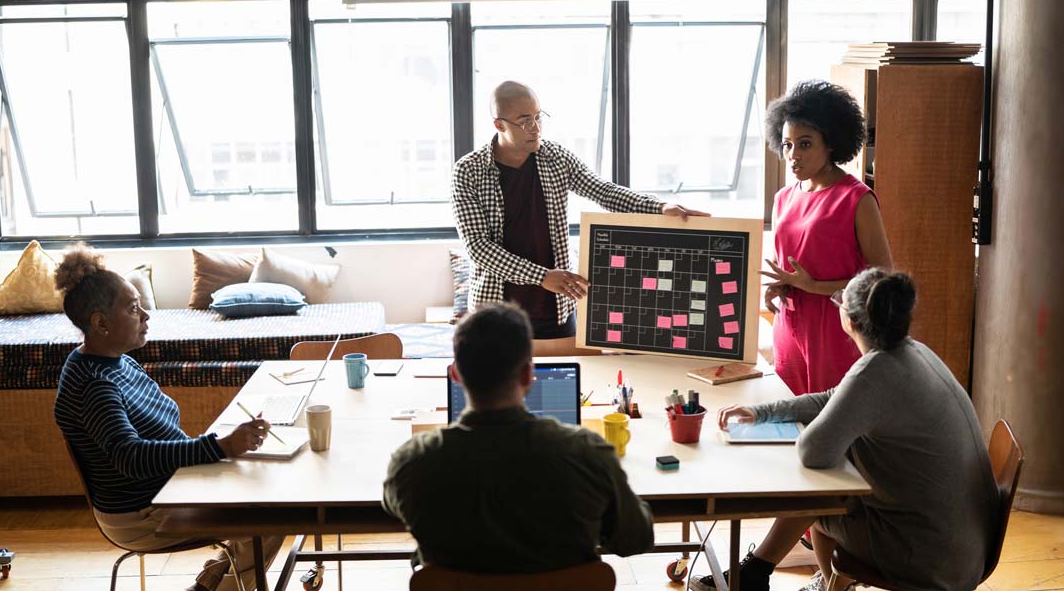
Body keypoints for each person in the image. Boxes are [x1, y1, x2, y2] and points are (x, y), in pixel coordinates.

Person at [692, 269, 999, 591]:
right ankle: (766, 573)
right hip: (965, 544)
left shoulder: (875, 372)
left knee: (818, 502)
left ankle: (800, 581)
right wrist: (761, 413)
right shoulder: (915, 352)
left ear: (848, 321)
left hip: (929, 559)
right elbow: (834, 398)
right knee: (834, 488)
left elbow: (814, 452)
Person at [52, 246, 283, 591]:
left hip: (167, 487)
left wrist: (217, 448)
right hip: (143, 513)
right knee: (274, 513)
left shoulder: (112, 360)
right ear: (100, 323)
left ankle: (211, 585)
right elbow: (130, 457)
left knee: (268, 487)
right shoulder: (95, 384)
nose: (146, 315)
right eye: (133, 309)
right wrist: (218, 447)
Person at [382, 302, 655, 572]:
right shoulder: (587, 453)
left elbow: (395, 506)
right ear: (528, 373)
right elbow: (636, 540)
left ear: (455, 375)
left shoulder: (412, 462)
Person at [452, 80, 708, 339]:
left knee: (566, 378)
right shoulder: (468, 171)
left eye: (539, 117)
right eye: (525, 121)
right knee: (497, 381)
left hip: (558, 309)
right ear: (499, 125)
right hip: (496, 313)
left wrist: (660, 207)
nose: (536, 128)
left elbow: (603, 191)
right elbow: (478, 248)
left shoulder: (556, 158)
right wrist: (542, 276)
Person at [760, 80, 892, 395]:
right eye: (787, 144)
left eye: (805, 144)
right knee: (787, 426)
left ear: (831, 142)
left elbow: (883, 278)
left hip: (837, 331)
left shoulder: (856, 199)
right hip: (789, 328)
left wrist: (814, 286)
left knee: (832, 429)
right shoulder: (783, 198)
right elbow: (791, 262)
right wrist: (779, 285)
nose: (793, 155)